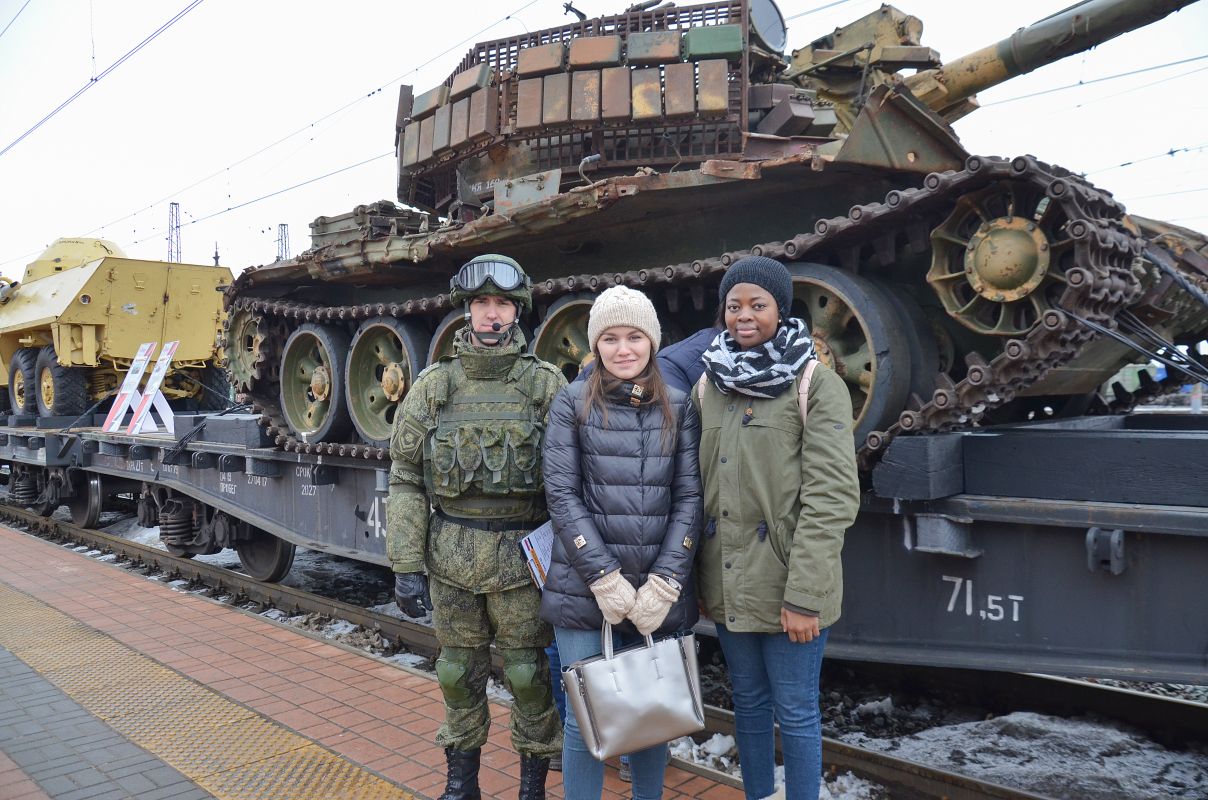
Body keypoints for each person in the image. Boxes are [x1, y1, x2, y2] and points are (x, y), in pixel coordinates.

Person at [387, 254, 566, 800]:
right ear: (467, 310)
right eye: (482, 303)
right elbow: (405, 480)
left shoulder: (545, 386)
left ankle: (531, 786)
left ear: (518, 311)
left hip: (522, 562)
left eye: (503, 304)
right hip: (452, 559)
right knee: (455, 674)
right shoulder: (433, 387)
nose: (492, 315)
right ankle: (461, 784)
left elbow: (569, 483)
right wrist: (405, 565)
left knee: (528, 678)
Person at [693, 256, 860, 800]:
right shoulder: (709, 384)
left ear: (779, 310)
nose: (744, 315)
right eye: (734, 305)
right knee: (747, 703)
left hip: (790, 582)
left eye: (757, 305)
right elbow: (698, 491)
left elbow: (831, 496)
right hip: (729, 581)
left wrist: (806, 596)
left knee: (796, 711)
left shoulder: (816, 383)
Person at [541, 285, 703, 800]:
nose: (623, 349)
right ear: (596, 345)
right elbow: (563, 496)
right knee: (583, 721)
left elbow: (690, 498)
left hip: (658, 588)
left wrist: (667, 580)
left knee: (650, 719)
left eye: (635, 336)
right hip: (584, 590)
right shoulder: (571, 403)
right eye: (610, 338)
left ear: (652, 342)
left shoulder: (680, 405)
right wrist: (604, 577)